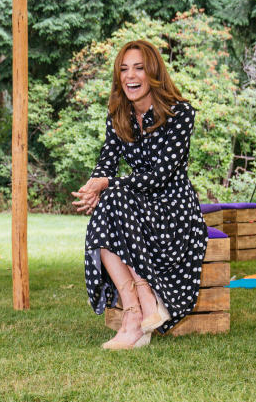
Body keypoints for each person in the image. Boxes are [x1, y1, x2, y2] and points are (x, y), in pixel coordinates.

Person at [71, 39, 207, 350]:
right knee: (109, 200)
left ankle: (142, 305)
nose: (130, 76)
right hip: (136, 207)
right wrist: (94, 186)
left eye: (138, 68)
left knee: (114, 194)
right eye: (123, 69)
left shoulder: (180, 113)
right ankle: (136, 311)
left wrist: (106, 185)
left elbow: (160, 175)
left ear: (153, 73)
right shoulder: (119, 115)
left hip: (174, 210)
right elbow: (106, 163)